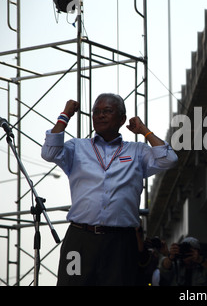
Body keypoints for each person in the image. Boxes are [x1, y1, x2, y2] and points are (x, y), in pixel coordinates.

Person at [41, 93, 178, 286]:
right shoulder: (77, 147)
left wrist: (144, 130)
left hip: (121, 242)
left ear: (122, 119)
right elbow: (49, 152)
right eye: (96, 112)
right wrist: (65, 116)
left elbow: (169, 159)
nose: (100, 115)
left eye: (107, 111)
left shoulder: (137, 151)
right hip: (80, 238)